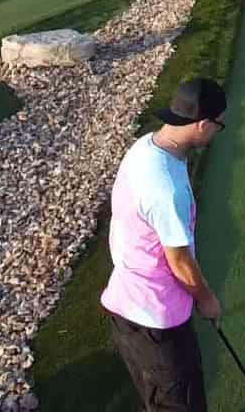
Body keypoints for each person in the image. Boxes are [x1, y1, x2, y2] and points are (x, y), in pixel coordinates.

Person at [101, 78, 228, 412]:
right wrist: (208, 300)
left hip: (127, 307)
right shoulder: (169, 189)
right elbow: (180, 261)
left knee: (155, 398)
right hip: (156, 321)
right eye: (219, 125)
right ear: (202, 124)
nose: (218, 131)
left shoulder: (145, 146)